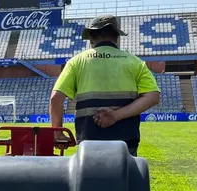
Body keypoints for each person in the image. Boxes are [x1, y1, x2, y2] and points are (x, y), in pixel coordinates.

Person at [49, 15, 161, 156]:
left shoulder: (76, 62)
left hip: (89, 138)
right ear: (116, 37)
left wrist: (58, 132)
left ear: (91, 38)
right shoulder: (135, 62)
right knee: (124, 176)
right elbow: (153, 97)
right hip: (126, 138)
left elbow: (55, 98)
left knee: (89, 177)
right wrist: (116, 115)